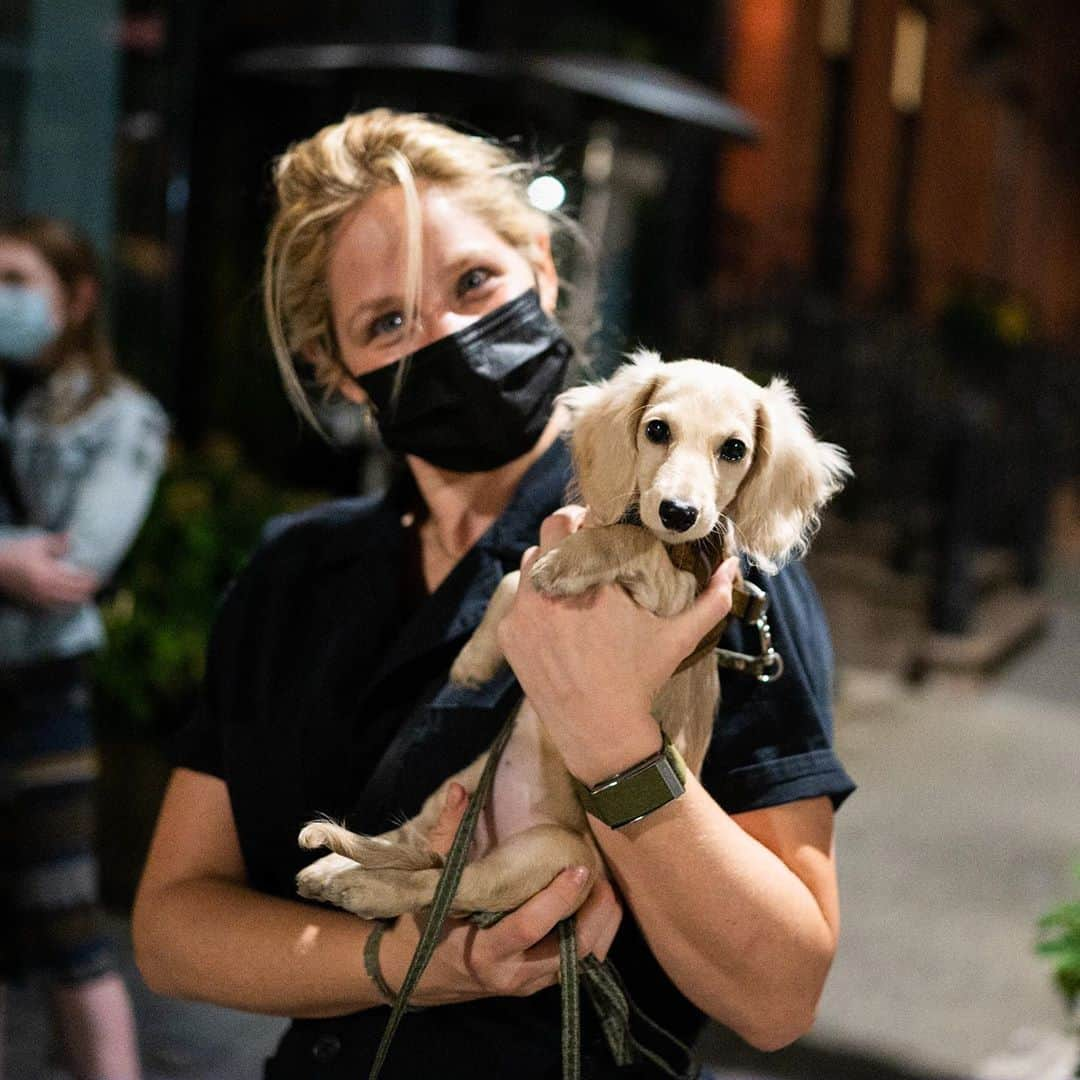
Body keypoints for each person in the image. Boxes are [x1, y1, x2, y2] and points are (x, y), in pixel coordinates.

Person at [132, 109, 856, 1079]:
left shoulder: (712, 575)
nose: (448, 337)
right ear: (337, 374)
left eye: (475, 283)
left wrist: (608, 736)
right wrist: (427, 964)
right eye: (386, 323)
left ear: (543, 275)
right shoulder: (293, 577)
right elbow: (172, 929)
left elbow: (779, 996)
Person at [0, 215, 168, 1080]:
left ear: (77, 297)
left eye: (17, 280)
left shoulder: (120, 414)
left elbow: (77, 564)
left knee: (67, 920)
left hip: (39, 690)